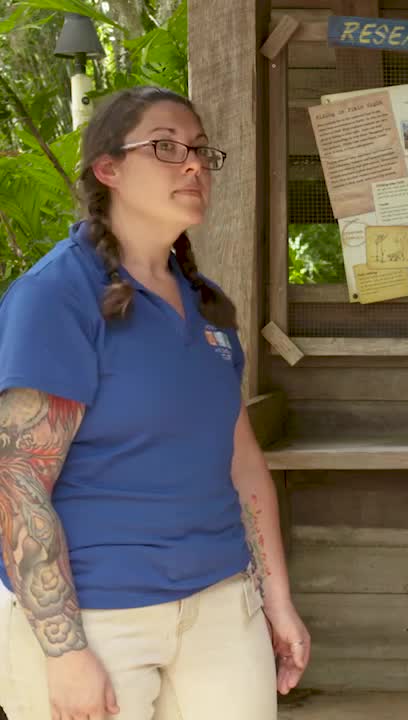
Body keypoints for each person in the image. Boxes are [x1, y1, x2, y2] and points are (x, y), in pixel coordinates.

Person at [0, 86, 310, 720]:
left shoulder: (208, 305)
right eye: (166, 147)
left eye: (199, 149)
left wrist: (275, 600)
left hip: (224, 607)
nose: (193, 163)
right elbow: (18, 479)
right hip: (96, 616)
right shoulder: (56, 295)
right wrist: (63, 652)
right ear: (107, 169)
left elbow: (241, 461)